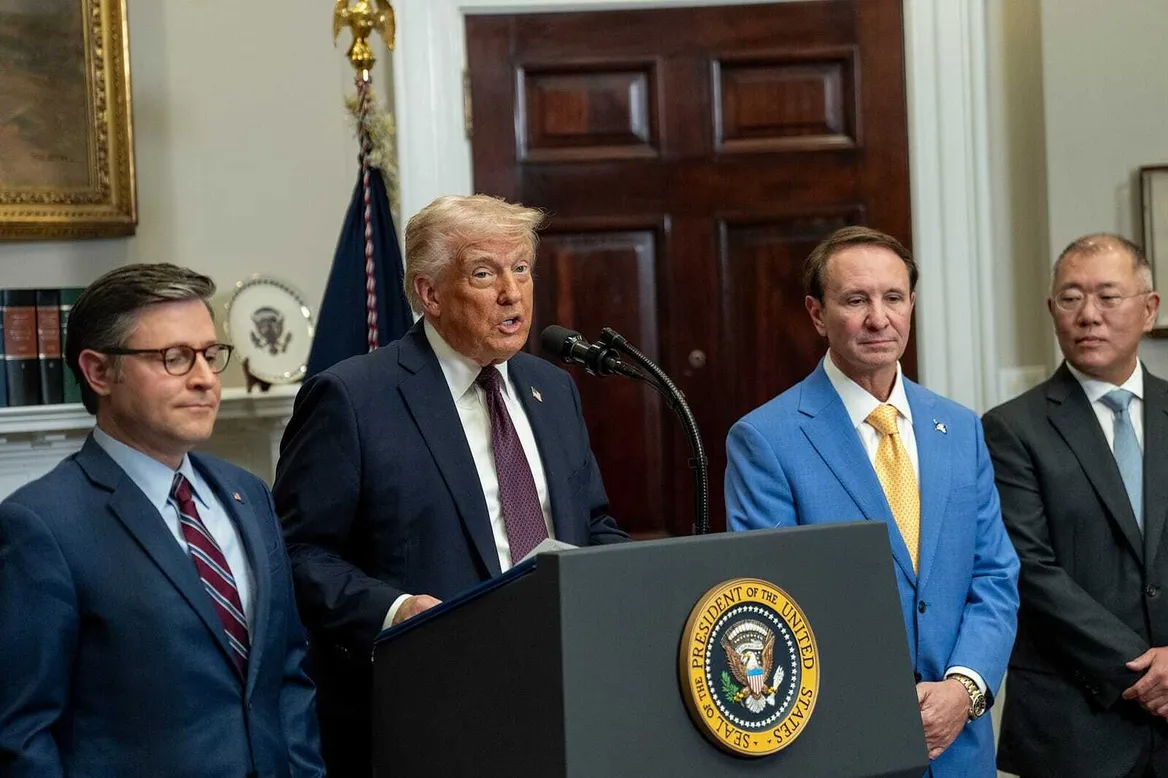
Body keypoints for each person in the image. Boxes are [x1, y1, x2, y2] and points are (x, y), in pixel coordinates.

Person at [274, 194, 628, 775]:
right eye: (484, 273)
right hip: (429, 706)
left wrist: (636, 582)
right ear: (430, 293)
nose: (512, 293)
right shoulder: (355, 398)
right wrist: (393, 610)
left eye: (521, 269)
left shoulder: (552, 387)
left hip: (560, 690)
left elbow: (592, 525)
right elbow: (297, 552)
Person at [0, 264, 324, 777]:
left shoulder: (250, 496)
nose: (203, 379)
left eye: (210, 355)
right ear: (99, 372)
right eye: (174, 358)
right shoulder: (40, 526)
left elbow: (287, 675)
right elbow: (20, 736)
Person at [725, 226, 1019, 777]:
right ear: (817, 313)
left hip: (959, 745)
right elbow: (773, 602)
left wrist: (965, 688)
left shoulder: (959, 428)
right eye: (856, 300)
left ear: (911, 304)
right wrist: (882, 704)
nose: (878, 319)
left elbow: (995, 575)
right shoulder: (766, 438)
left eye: (893, 297)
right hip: (843, 742)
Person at [984, 233, 1168, 777]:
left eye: (1108, 297)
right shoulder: (1011, 429)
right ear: (1052, 310)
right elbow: (1030, 570)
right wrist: (1145, 673)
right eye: (1070, 298)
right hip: (1075, 726)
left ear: (1149, 309)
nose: (1088, 315)